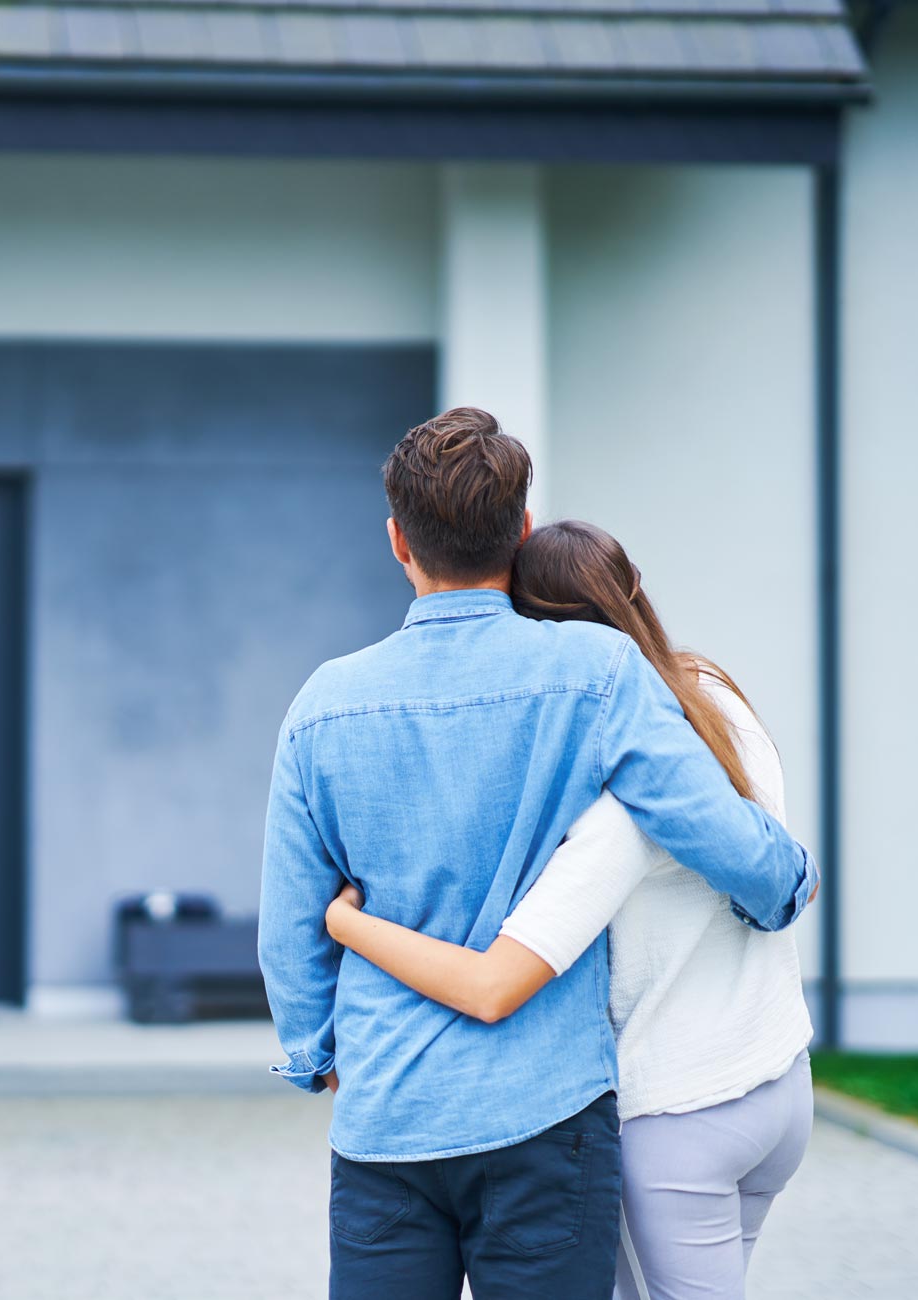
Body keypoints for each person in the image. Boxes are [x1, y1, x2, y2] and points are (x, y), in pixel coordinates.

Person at [257, 409, 818, 1300]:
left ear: (397, 540)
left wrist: (315, 1051)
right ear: (519, 533)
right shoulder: (598, 672)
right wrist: (787, 885)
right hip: (548, 1115)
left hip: (389, 1119)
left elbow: (292, 918)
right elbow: (711, 826)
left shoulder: (325, 703)